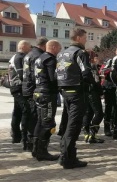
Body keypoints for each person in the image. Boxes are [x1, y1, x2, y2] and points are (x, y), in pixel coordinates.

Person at [56, 28, 96, 169]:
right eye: (85, 37)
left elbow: (57, 73)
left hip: (64, 91)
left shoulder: (61, 54)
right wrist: (95, 84)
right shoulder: (80, 53)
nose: (86, 40)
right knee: (74, 125)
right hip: (77, 92)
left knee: (68, 123)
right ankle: (67, 158)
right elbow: (85, 72)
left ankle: (66, 155)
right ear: (78, 38)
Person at [32, 40, 62, 161]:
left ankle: (35, 149)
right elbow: (53, 78)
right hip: (47, 94)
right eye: (59, 48)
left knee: (40, 122)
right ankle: (41, 151)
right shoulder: (50, 59)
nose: (60, 51)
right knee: (49, 124)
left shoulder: (40, 58)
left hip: (38, 92)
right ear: (53, 47)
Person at [22, 37, 48, 152]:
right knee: (35, 117)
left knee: (29, 116)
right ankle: (31, 143)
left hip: (26, 88)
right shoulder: (39, 56)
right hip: (34, 89)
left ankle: (27, 142)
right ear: (44, 45)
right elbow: (36, 74)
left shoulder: (29, 54)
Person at [8, 40, 31, 145]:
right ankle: (23, 135)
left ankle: (16, 136)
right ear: (24, 47)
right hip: (18, 87)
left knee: (17, 111)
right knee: (25, 109)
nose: (30, 49)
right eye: (29, 47)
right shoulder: (19, 57)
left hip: (16, 87)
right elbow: (22, 73)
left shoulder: (16, 56)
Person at [100, 46, 117, 136]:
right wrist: (112, 69)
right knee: (108, 108)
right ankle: (107, 128)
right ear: (116, 52)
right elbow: (102, 70)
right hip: (109, 86)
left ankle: (115, 125)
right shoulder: (111, 61)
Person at [82, 51, 105, 144]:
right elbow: (95, 81)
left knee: (88, 113)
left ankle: (86, 133)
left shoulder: (82, 66)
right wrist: (101, 92)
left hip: (84, 92)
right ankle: (92, 133)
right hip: (93, 92)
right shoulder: (92, 66)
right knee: (99, 113)